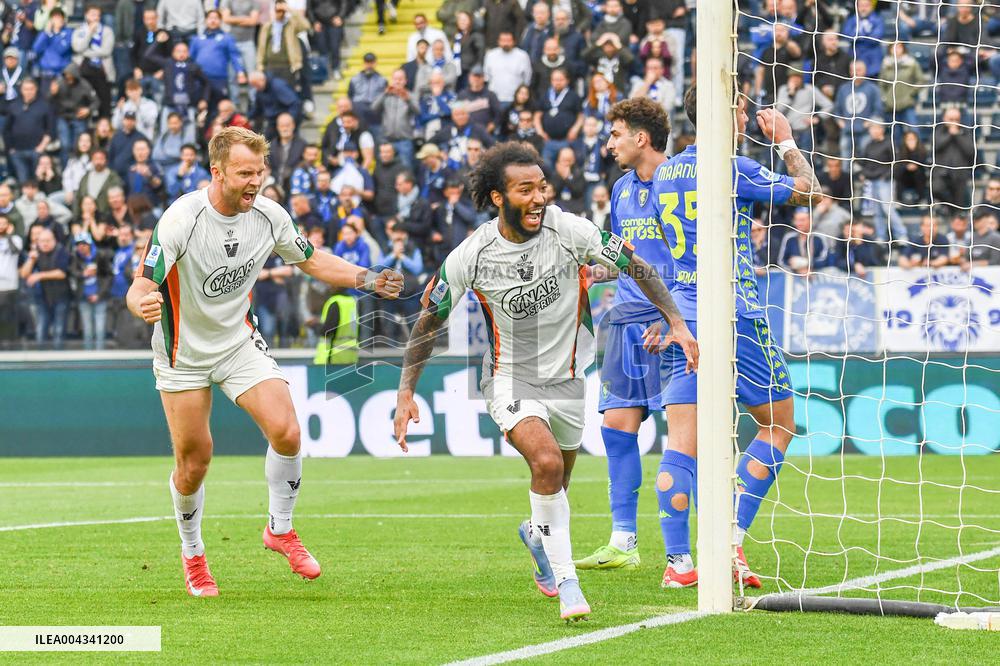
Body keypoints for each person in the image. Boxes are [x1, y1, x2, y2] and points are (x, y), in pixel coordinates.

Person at [393, 142, 695, 621]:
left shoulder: (570, 229)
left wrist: (675, 320)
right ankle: (569, 584)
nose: (538, 197)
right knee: (548, 463)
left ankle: (537, 535)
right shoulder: (472, 254)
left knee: (557, 484)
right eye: (525, 189)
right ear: (498, 197)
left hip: (569, 381)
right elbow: (429, 319)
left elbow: (635, 264)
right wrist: (406, 390)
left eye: (542, 187)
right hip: (509, 379)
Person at [125, 126, 403, 597]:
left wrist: (367, 278)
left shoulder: (270, 216)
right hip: (182, 356)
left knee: (288, 431)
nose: (255, 181)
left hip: (238, 343)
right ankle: (193, 555)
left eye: (260, 172)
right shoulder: (181, 219)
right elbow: (140, 284)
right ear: (217, 172)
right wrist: (142, 304)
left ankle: (280, 529)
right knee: (195, 463)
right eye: (244, 173)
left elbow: (312, 261)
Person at [650, 86, 821, 589]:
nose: (747, 117)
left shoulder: (666, 172)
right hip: (736, 312)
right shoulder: (735, 168)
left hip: (684, 313)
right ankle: (728, 541)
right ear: (726, 111)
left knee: (682, 442)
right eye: (742, 108)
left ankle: (679, 563)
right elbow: (808, 190)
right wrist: (787, 142)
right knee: (778, 425)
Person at [574, 98, 676, 571]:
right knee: (616, 427)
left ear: (641, 138)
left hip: (672, 323)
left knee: (686, 433)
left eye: (615, 134)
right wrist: (599, 271)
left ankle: (695, 546)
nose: (608, 143)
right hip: (624, 321)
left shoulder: (681, 183)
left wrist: (673, 317)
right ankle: (624, 541)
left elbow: (687, 259)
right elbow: (630, 259)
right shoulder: (620, 189)